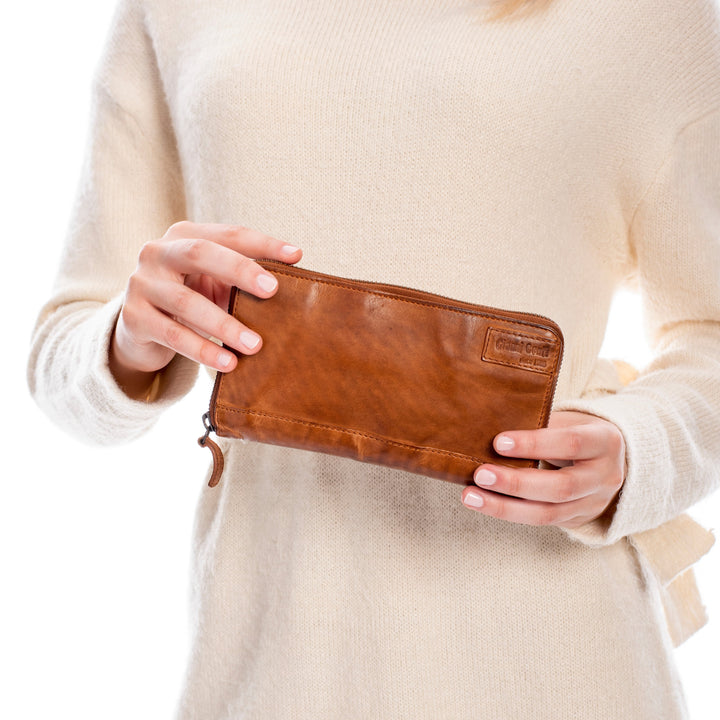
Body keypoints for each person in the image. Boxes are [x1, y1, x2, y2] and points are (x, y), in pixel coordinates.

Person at [27, 0, 720, 717]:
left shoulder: (648, 13)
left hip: (557, 666)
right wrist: (128, 338)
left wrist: (637, 449)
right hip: (271, 664)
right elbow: (63, 354)